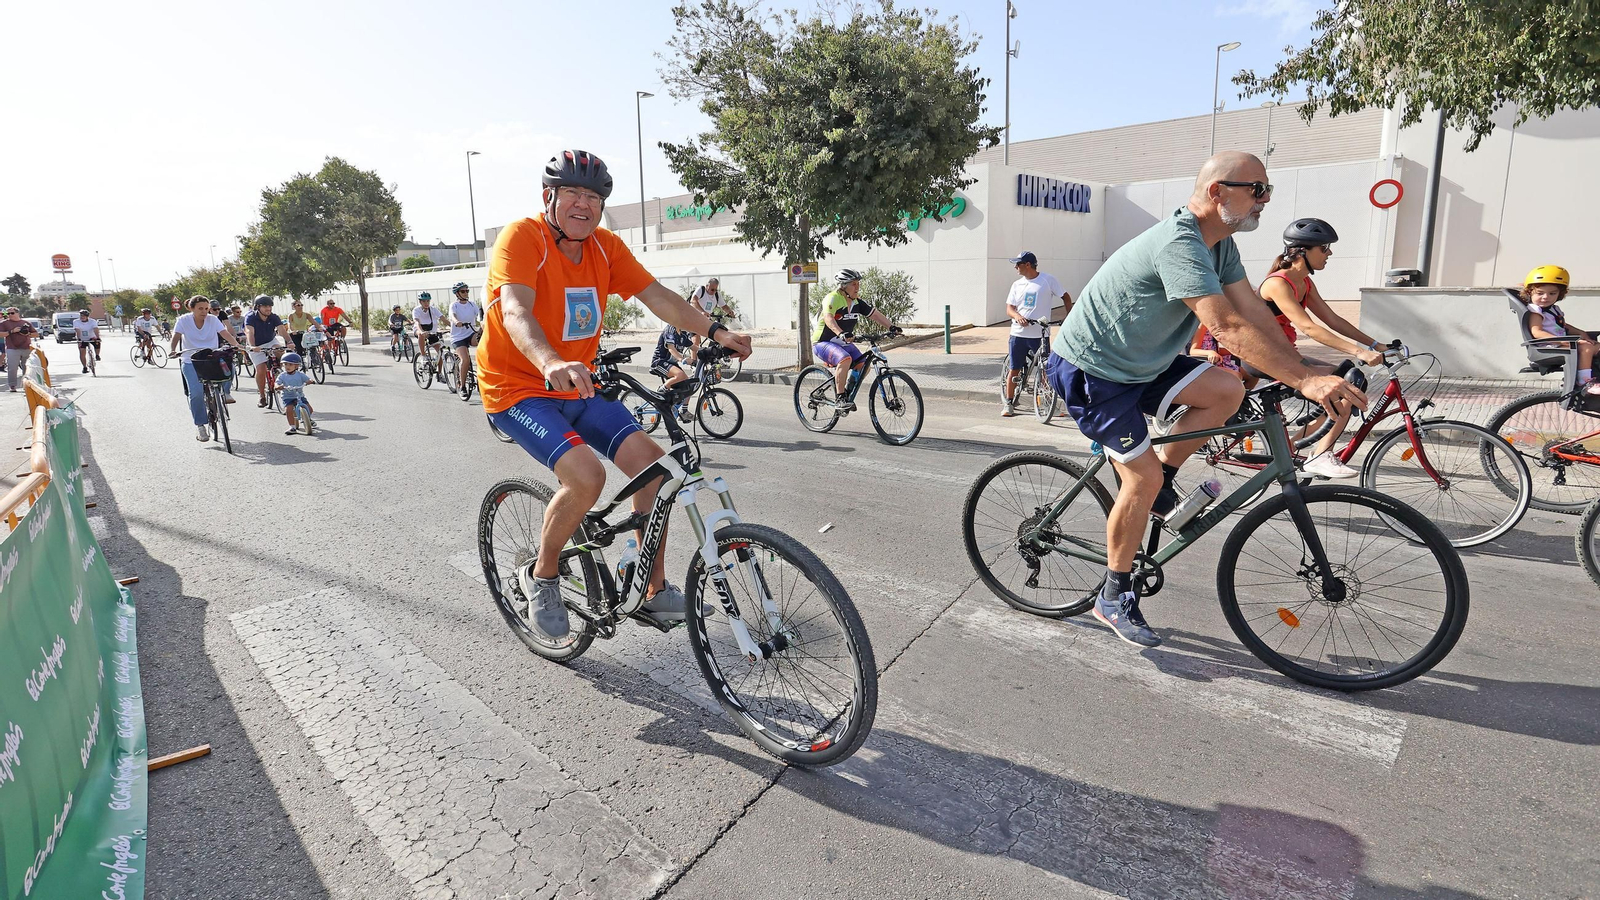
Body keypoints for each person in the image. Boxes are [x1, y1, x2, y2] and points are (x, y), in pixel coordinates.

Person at [1048, 151, 1366, 649]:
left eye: (1269, 190)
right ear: (1218, 192)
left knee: (1227, 389)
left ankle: (1164, 483)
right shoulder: (1180, 243)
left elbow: (1255, 317)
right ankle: (1112, 595)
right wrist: (1304, 382)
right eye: (1256, 189)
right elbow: (1225, 326)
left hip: (1145, 362)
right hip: (1096, 370)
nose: (1265, 200)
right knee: (1142, 477)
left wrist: (1304, 368)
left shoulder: (1221, 245)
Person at [478, 149, 752, 643]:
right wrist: (549, 361)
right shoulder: (522, 238)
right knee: (586, 476)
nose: (584, 205)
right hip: (518, 387)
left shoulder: (605, 247)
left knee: (656, 468)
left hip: (577, 381)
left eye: (593, 197)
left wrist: (715, 331)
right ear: (550, 197)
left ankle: (651, 588)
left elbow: (659, 297)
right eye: (573, 194)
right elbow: (515, 311)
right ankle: (542, 577)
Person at [1253, 218, 1386, 478]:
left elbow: (1332, 319)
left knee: (1349, 379)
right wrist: (1359, 352)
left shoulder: (1305, 282)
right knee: (1344, 384)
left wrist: (1374, 343)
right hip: (1265, 357)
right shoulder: (1278, 283)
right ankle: (1319, 455)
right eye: (1324, 248)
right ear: (1303, 251)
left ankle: (1290, 447)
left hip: (1287, 355)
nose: (1330, 253)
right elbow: (1309, 328)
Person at [813, 269, 896, 411]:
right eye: (854, 284)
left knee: (863, 365)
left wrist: (892, 326)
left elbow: (874, 315)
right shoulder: (833, 298)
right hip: (823, 342)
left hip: (843, 343)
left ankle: (847, 392)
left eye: (858, 283)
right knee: (845, 359)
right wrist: (841, 333)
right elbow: (829, 318)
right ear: (843, 286)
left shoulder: (857, 303)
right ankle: (840, 399)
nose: (858, 287)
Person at [1001, 251, 1071, 417]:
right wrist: (1017, 316)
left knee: (1046, 370)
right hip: (1018, 334)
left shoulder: (1048, 280)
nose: (1015, 267)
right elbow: (1009, 309)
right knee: (1015, 369)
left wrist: (1069, 317)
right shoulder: (1017, 285)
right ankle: (1009, 403)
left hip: (1040, 333)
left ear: (1028, 265)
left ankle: (1049, 404)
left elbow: (1066, 297)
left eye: (1018, 264)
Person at [170, 295, 248, 440]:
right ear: (191, 308)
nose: (204, 311)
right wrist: (173, 349)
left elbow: (224, 333)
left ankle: (224, 393)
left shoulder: (213, 319)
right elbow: (176, 335)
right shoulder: (183, 320)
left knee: (228, 367)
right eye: (200, 308)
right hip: (190, 360)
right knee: (196, 393)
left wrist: (236, 345)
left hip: (211, 358)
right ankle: (200, 426)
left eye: (206, 309)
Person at [1519, 265, 1599, 392]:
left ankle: (1594, 377)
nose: (1546, 297)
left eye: (1552, 293)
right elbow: (1537, 332)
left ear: (1559, 294)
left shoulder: (1553, 309)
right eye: (1540, 293)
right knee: (1586, 347)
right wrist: (1563, 341)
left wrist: (1581, 333)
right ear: (1529, 292)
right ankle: (1584, 382)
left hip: (1560, 343)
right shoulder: (1536, 311)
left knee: (1596, 346)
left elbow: (1563, 326)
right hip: (1548, 346)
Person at [245, 295, 289, 406]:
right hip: (256, 344)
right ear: (258, 307)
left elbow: (282, 331)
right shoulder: (250, 317)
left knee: (280, 352)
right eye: (265, 306)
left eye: (270, 306)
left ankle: (280, 373)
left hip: (270, 341)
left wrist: (290, 342)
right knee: (261, 369)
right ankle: (262, 396)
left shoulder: (274, 317)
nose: (268, 308)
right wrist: (253, 346)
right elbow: (250, 332)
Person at [448, 281, 480, 396]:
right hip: (458, 337)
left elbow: (480, 315)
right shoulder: (454, 305)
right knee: (465, 359)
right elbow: (453, 315)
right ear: (457, 294)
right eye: (463, 291)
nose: (466, 293)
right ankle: (462, 387)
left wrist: (483, 322)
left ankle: (482, 374)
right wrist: (456, 322)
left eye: (467, 290)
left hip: (471, 333)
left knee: (484, 343)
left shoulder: (472, 304)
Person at [1, 307, 37, 392]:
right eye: (7, 314)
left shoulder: (26, 323)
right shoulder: (4, 323)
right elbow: (0, 334)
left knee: (27, 367)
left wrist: (27, 333)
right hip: (12, 348)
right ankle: (12, 385)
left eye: (12, 313)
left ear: (17, 313)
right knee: (12, 367)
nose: (9, 315)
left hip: (26, 347)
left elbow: (36, 334)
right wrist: (11, 331)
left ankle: (27, 385)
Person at [276, 353, 313, 434]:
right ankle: (292, 427)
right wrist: (278, 386)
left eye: (290, 364)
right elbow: (277, 383)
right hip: (288, 396)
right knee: (288, 410)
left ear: (296, 366)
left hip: (299, 396)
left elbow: (307, 380)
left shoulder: (300, 375)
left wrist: (310, 381)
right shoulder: (282, 376)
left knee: (310, 409)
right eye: (285, 364)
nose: (287, 367)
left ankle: (307, 419)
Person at [412, 291, 445, 370]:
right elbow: (416, 322)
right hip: (419, 330)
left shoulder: (433, 309)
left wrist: (454, 327)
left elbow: (444, 319)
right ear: (420, 302)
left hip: (432, 332)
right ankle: (423, 356)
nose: (426, 303)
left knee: (440, 353)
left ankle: (440, 374)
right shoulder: (416, 310)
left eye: (428, 301)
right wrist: (421, 331)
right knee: (421, 335)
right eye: (424, 301)